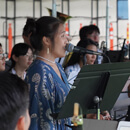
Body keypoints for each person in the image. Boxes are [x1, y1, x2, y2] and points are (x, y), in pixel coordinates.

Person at [25, 16, 71, 130]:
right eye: (62, 36)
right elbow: (39, 120)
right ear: (46, 41)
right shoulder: (39, 72)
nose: (67, 40)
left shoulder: (58, 66)